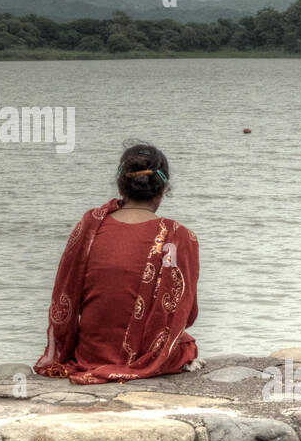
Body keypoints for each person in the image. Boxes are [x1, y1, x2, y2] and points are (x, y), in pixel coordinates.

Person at [34, 143, 200, 384]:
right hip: (147, 356)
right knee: (185, 344)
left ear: (121, 184)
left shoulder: (91, 226)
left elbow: (67, 300)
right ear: (163, 189)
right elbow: (187, 314)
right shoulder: (178, 237)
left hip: (90, 354)